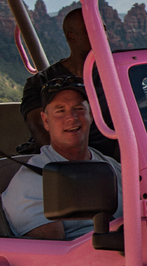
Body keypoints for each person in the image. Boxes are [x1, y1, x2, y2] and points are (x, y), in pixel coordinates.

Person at [19, 7, 147, 157]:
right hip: (61, 167)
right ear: (72, 38)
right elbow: (42, 134)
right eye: (92, 31)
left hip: (114, 166)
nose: (102, 36)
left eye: (103, 29)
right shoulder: (39, 83)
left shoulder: (119, 76)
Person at [2, 77, 123, 239]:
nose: (72, 117)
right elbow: (54, 256)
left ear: (92, 114)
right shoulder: (30, 183)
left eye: (79, 108)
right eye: (60, 111)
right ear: (45, 121)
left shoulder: (111, 166)